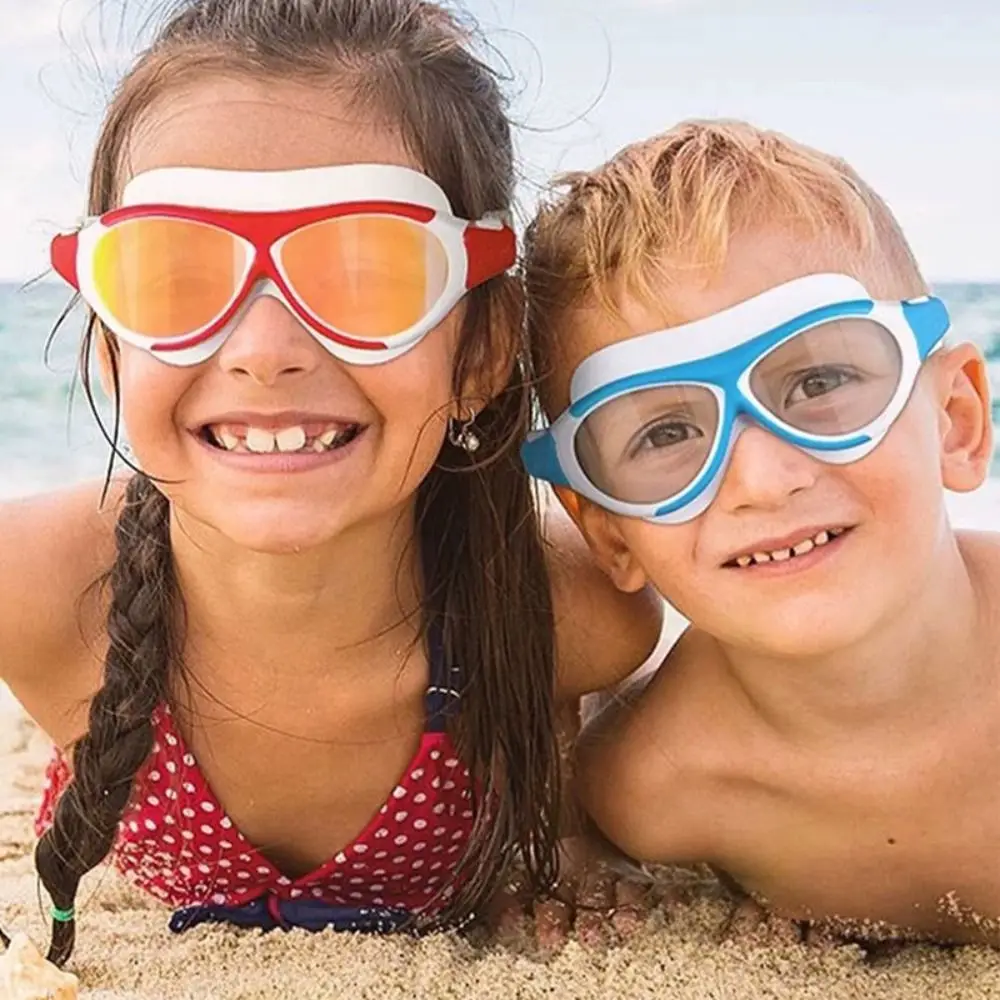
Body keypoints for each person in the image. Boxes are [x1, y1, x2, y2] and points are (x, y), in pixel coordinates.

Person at [0, 0, 663, 966]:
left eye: (366, 273)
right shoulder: (37, 590)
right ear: (110, 343)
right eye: (176, 277)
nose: (265, 352)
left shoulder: (570, 610)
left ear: (481, 348)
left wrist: (576, 837)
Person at [523, 119, 1000, 944]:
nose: (763, 480)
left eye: (819, 379)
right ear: (611, 536)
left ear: (956, 423)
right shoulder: (657, 788)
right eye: (664, 434)